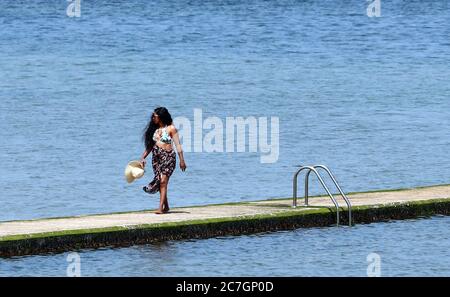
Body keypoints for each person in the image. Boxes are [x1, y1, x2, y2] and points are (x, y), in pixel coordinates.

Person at [140, 107, 187, 214]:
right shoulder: (155, 130)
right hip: (156, 159)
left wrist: (182, 160)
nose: (152, 118)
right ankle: (166, 206)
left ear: (161, 117)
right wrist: (142, 158)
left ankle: (160, 208)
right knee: (160, 181)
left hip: (168, 158)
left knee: (163, 182)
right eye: (152, 116)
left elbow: (178, 145)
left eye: (155, 116)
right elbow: (150, 147)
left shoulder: (171, 129)